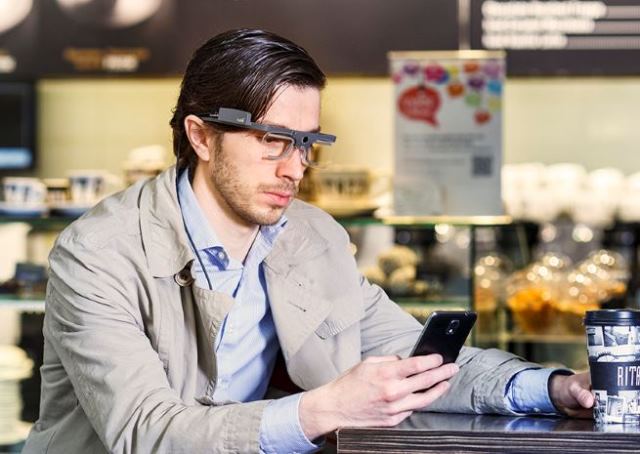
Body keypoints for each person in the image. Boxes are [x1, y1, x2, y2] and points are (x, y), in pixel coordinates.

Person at [24, 29, 593, 454]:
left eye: (306, 143)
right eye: (272, 140)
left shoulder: (312, 236)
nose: (294, 167)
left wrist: (553, 388)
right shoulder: (98, 254)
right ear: (201, 136)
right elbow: (145, 433)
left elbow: (411, 358)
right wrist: (325, 408)